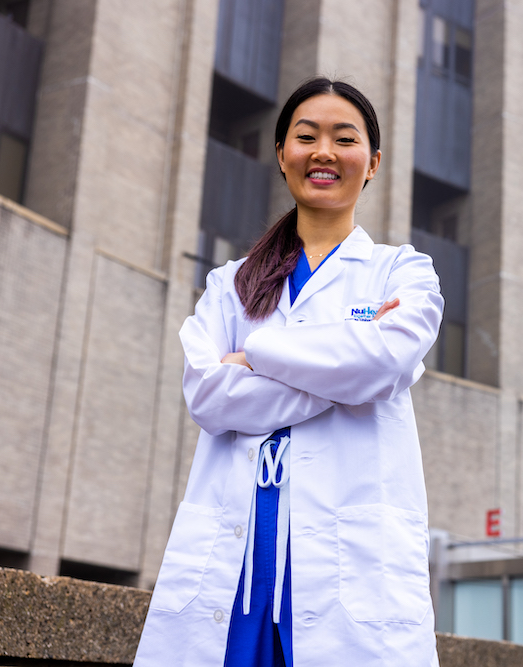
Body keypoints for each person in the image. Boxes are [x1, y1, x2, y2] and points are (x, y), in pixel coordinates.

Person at [133, 77, 444, 667]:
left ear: (372, 162)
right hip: (238, 563)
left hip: (345, 569)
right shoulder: (230, 282)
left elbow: (380, 362)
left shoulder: (403, 273)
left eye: (343, 138)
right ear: (282, 155)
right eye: (306, 137)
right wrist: (344, 372)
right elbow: (208, 394)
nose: (323, 152)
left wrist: (257, 353)